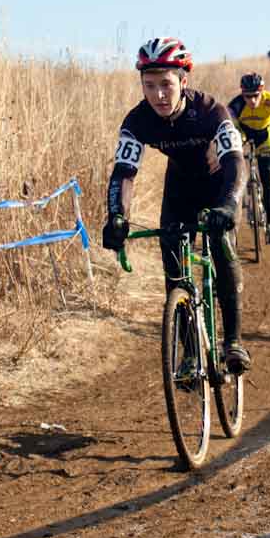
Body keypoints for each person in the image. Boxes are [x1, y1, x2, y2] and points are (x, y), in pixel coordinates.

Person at [100, 37, 250, 374]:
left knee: (222, 247)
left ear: (184, 81)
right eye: (149, 86)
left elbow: (236, 163)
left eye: (166, 84)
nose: (158, 95)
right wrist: (117, 217)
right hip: (180, 187)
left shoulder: (212, 111)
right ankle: (190, 353)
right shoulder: (138, 120)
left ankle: (234, 342)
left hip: (219, 183)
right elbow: (123, 172)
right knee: (174, 269)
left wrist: (229, 205)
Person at [227, 72, 270, 244]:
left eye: (256, 96)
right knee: (236, 170)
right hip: (244, 134)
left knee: (266, 179)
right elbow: (229, 129)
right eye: (247, 96)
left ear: (262, 92)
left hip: (266, 137)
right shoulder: (235, 105)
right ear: (242, 94)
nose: (252, 101)